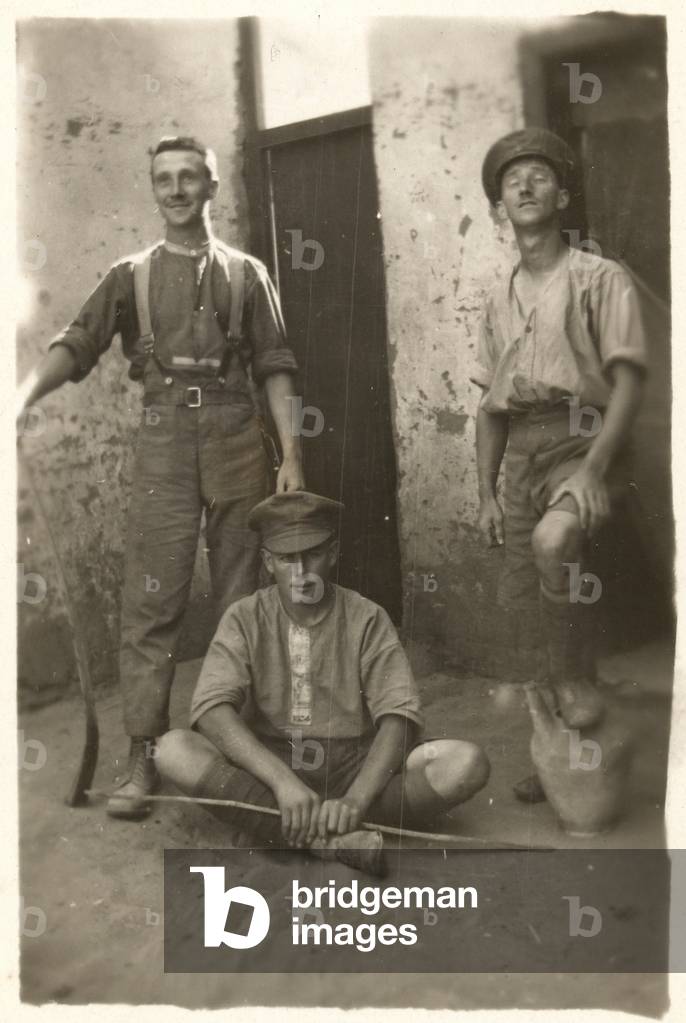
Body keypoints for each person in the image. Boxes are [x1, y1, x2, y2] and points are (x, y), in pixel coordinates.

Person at [17, 136, 305, 818]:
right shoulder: (131, 275)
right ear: (154, 190)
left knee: (243, 596)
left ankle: (238, 739)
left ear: (211, 187)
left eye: (188, 178)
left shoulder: (247, 274)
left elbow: (277, 366)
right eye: (163, 179)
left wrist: (292, 453)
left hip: (239, 438)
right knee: (153, 600)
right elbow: (76, 342)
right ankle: (142, 750)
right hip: (164, 440)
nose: (176, 189)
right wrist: (22, 395)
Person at [156, 491, 490, 868]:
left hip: (355, 763)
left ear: (332, 553)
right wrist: (283, 782)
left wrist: (356, 800)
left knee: (466, 763)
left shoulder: (366, 617)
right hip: (274, 761)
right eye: (286, 559)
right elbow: (212, 710)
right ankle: (330, 842)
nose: (301, 573)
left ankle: (291, 826)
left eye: (312, 554)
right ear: (268, 562)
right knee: (172, 750)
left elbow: (398, 716)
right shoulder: (245, 617)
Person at [472, 128, 647, 802]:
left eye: (538, 175)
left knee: (555, 545)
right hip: (522, 447)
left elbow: (630, 382)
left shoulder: (600, 278)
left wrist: (594, 470)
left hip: (586, 440)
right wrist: (486, 491)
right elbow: (491, 407)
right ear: (499, 209)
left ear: (563, 195)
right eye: (510, 181)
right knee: (521, 599)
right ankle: (556, 754)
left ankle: (578, 684)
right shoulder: (496, 296)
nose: (522, 185)